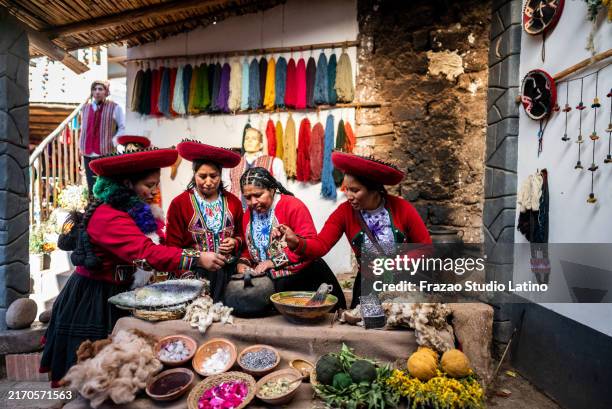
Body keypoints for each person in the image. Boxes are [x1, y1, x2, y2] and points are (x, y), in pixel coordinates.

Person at [40, 147, 217, 387]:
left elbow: (156, 247)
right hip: (93, 298)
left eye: (157, 185)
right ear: (127, 183)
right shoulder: (108, 217)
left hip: (116, 292)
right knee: (92, 372)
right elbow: (146, 252)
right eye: (149, 185)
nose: (155, 192)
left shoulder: (132, 212)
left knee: (115, 371)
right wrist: (197, 258)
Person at [277, 152, 432, 307]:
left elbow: (426, 247)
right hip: (368, 285)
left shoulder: (402, 208)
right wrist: (296, 242)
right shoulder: (344, 212)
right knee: (367, 325)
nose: (349, 196)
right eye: (346, 189)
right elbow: (321, 244)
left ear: (375, 189)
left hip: (405, 284)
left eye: (355, 190)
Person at [237, 167, 346, 308]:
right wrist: (243, 263)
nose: (253, 202)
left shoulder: (292, 206)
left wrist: (272, 262)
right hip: (268, 285)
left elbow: (310, 245)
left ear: (271, 189)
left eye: (258, 195)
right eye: (248, 198)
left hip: (302, 281)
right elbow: (249, 249)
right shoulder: (248, 216)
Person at [166, 140, 244, 302]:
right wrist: (188, 278)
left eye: (213, 176)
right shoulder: (179, 204)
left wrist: (234, 242)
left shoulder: (233, 202)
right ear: (194, 175)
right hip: (194, 274)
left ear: (220, 175)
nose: (208, 182)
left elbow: (243, 235)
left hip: (228, 275)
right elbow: (172, 247)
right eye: (202, 176)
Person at [80, 80, 126, 193]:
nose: (97, 92)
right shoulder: (85, 108)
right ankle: (93, 209)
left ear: (106, 92)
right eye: (94, 89)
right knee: (91, 186)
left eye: (100, 89)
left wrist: (113, 142)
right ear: (91, 92)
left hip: (104, 153)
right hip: (87, 153)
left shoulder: (115, 108)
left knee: (104, 185)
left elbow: (123, 127)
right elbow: (84, 129)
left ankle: (104, 208)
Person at [224, 125, 287, 207]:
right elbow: (226, 189)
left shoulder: (275, 162)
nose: (249, 141)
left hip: (265, 212)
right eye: (247, 138)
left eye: (254, 139)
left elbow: (282, 190)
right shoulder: (233, 163)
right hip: (237, 212)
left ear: (261, 144)